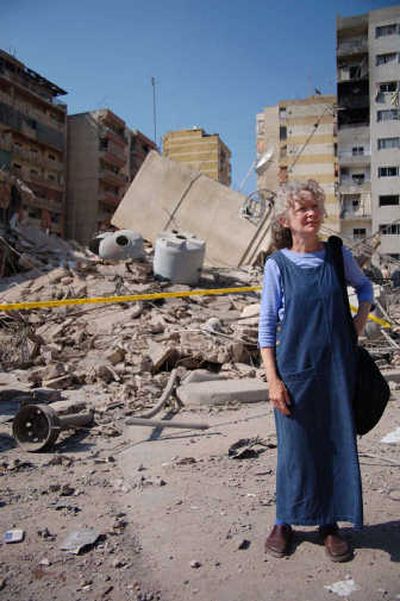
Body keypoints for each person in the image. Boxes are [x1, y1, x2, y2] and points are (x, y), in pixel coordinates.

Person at [258, 179, 373, 562]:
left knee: (334, 445)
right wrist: (273, 380)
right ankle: (284, 521)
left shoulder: (338, 255)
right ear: (287, 219)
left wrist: (359, 322)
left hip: (337, 371)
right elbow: (266, 329)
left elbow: (366, 289)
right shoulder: (276, 265)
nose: (310, 214)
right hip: (294, 372)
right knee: (295, 449)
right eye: (301, 209)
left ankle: (329, 524)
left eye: (315, 208)